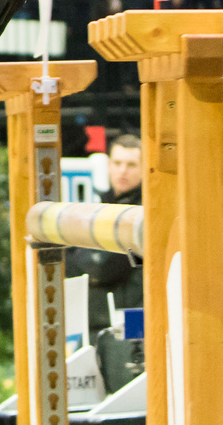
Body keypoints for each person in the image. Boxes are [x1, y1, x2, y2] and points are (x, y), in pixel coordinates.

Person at [63, 135, 144, 333]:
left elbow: (105, 267)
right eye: (117, 163)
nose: (122, 170)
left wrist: (86, 260)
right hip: (96, 321)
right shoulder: (101, 205)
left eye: (131, 164)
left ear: (144, 168)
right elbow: (69, 263)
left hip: (133, 321)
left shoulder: (145, 213)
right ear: (108, 165)